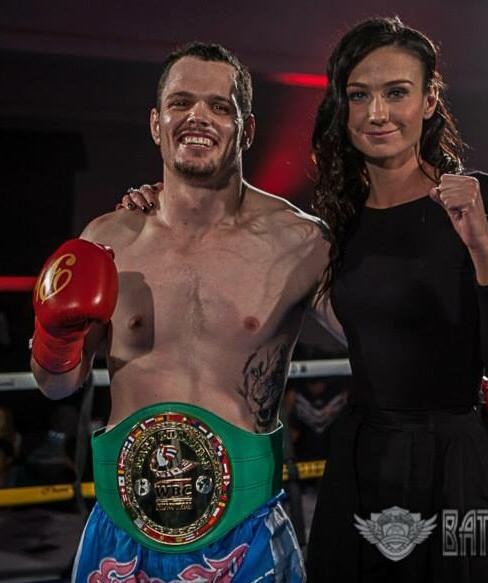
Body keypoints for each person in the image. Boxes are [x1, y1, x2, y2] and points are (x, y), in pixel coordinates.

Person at [31, 42, 329, 582]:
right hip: (122, 537)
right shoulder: (108, 239)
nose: (197, 116)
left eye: (219, 106)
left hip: (247, 536)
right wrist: (55, 337)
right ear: (156, 123)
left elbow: (385, 342)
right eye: (181, 102)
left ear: (247, 129)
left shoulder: (300, 241)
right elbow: (57, 386)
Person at [304, 16, 488, 583]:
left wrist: (479, 243)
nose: (377, 113)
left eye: (396, 92)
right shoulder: (337, 218)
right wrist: (154, 201)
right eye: (359, 95)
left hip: (457, 463)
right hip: (363, 461)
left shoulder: (477, 198)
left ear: (430, 100)